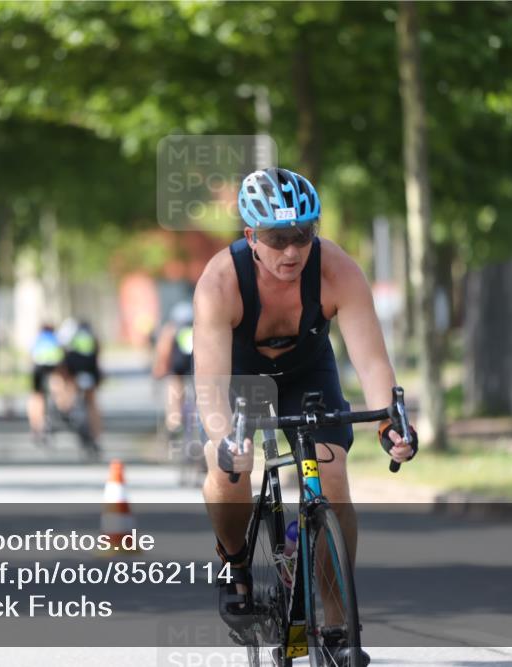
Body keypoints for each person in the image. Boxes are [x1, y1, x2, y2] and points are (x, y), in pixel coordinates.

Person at [193, 168, 418, 659]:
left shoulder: (337, 270)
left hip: (307, 374)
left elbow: (373, 361)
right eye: (277, 238)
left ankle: (337, 622)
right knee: (228, 467)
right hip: (240, 380)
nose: (292, 251)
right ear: (251, 236)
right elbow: (210, 387)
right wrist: (226, 439)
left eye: (303, 234)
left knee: (332, 477)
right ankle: (234, 565)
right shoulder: (220, 282)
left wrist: (389, 423)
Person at [56, 317, 103, 445]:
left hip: (75, 371)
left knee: (68, 387)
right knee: (92, 403)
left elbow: (63, 352)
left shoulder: (71, 335)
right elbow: (98, 354)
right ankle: (96, 436)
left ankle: (66, 410)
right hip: (90, 371)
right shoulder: (91, 337)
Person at [152, 301, 195, 435]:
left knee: (174, 392)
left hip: (177, 366)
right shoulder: (197, 328)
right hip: (194, 365)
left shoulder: (171, 329)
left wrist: (159, 368)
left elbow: (164, 350)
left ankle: (174, 423)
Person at [27, 323, 64, 443]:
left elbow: (31, 356)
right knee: (57, 382)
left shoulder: (38, 339)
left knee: (36, 396)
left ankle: (35, 425)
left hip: (38, 368)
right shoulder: (55, 338)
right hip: (53, 367)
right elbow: (62, 356)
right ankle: (59, 405)